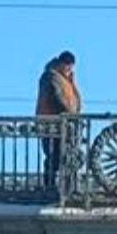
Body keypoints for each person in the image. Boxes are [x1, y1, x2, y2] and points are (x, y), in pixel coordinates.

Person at [35, 50, 81, 189]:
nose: (69, 69)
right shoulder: (50, 77)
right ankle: (49, 185)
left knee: (65, 155)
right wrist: (69, 113)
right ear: (61, 64)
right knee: (53, 155)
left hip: (65, 124)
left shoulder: (67, 80)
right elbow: (56, 98)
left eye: (71, 66)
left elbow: (76, 100)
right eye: (67, 65)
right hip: (51, 123)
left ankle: (66, 186)